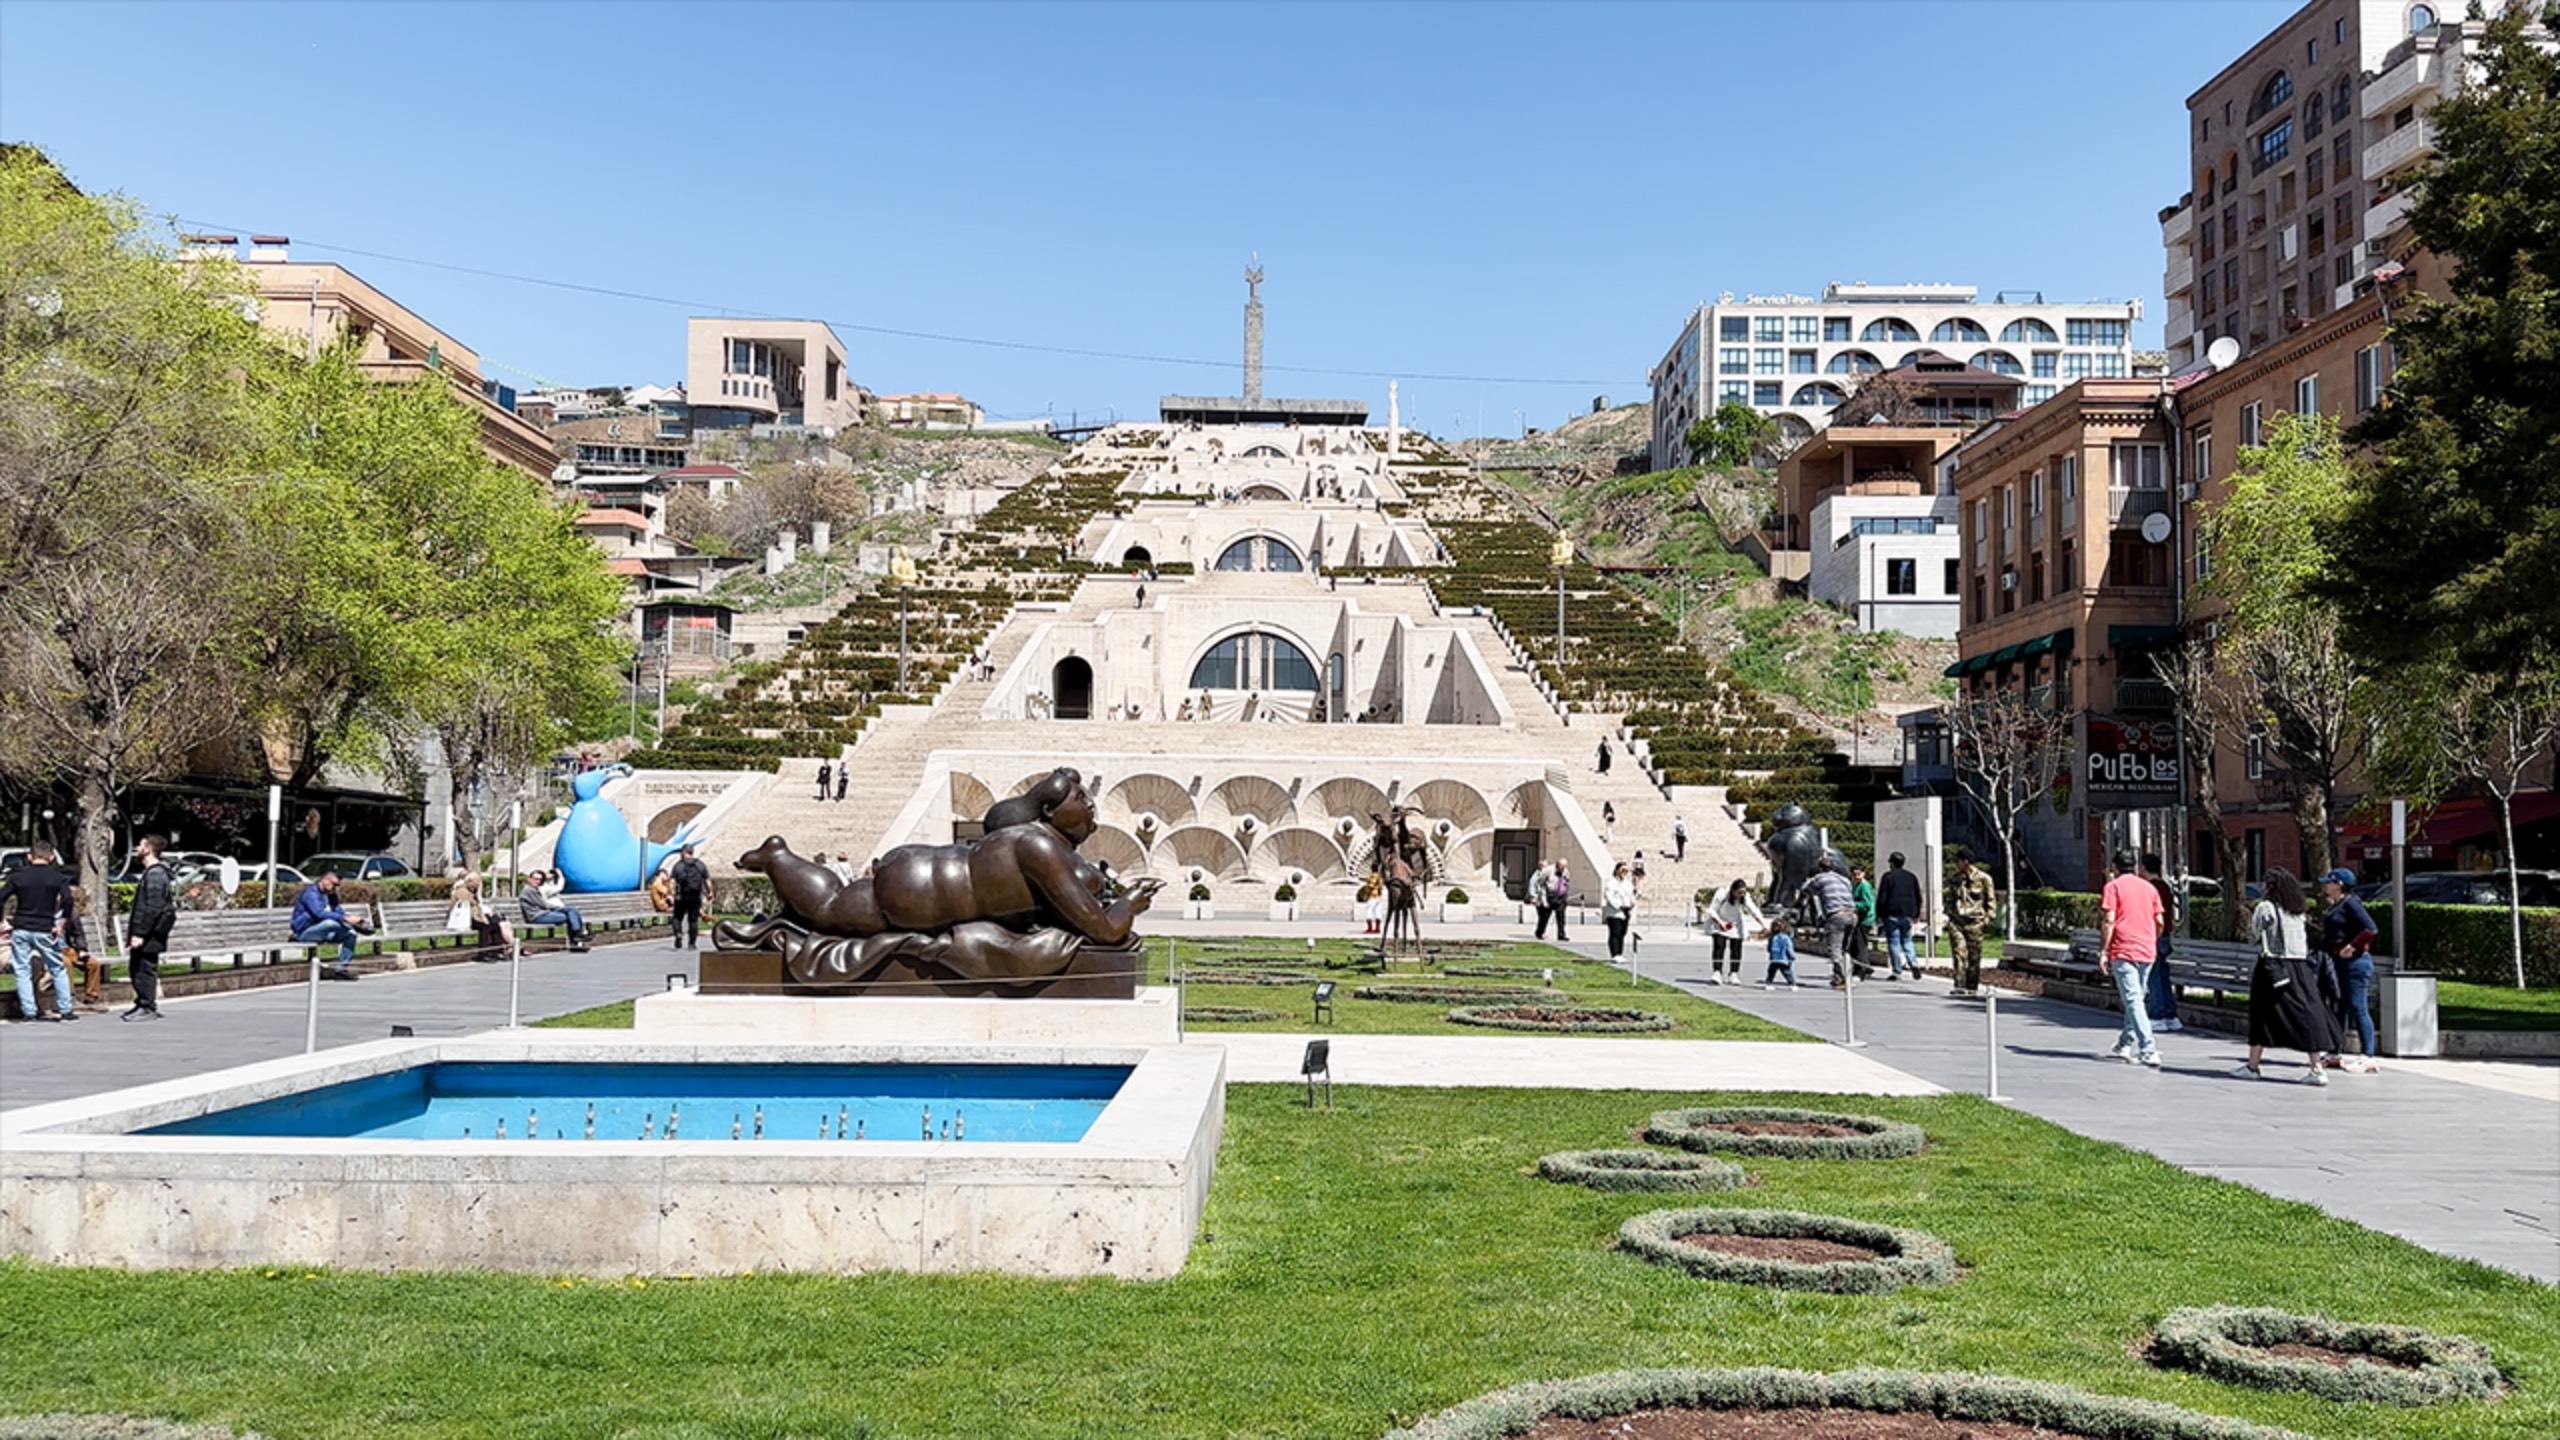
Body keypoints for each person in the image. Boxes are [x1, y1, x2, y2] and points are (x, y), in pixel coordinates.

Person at [2236, 867, 2340, 1083]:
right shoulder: (2298, 909)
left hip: (2273, 967)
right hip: (2300, 967)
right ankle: (2316, 1068)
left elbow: (2252, 936)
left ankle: (2253, 1066)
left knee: (2261, 1014)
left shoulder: (2266, 907)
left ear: (2270, 887)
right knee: (2307, 1013)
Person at [2099, 847, 2165, 1067]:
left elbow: (2109, 920)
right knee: (2136, 998)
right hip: (2147, 951)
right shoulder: (2149, 888)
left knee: (2133, 999)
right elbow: (2160, 922)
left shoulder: (2113, 887)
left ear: (2115, 867)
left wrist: (2103, 951)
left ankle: (2148, 1048)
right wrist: (2151, 939)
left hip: (2123, 949)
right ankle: (2125, 1043)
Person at [0, 841, 79, 1021]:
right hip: (45, 927)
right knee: (57, 968)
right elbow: (68, 900)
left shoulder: (18, 877)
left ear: (29, 857)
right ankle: (65, 1009)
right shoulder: (57, 878)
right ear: (50, 858)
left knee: (22, 970)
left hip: (22, 927)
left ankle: (29, 1011)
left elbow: (1, 897)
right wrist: (62, 923)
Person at [2317, 867, 2380, 1072]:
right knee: (2340, 1006)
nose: (2326, 886)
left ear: (2340, 885)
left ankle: (2368, 1055)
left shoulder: (2351, 903)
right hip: (2338, 962)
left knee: (2357, 1007)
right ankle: (2335, 1051)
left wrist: (2353, 946)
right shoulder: (2338, 904)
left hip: (2355, 963)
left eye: (2329, 882)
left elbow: (2370, 928)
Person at [122, 835, 176, 1021]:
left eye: (141, 845)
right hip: (148, 933)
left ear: (148, 849)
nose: (137, 848)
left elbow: (153, 907)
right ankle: (142, 1003)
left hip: (150, 934)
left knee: (144, 969)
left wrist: (140, 933)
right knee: (137, 968)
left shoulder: (155, 875)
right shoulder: (153, 873)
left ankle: (147, 1006)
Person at [291, 870, 366, 982]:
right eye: (334, 884)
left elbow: (338, 911)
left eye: (337, 886)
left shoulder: (330, 894)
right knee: (330, 923)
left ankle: (341, 969)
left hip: (323, 931)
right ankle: (352, 927)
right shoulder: (311, 894)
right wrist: (345, 919)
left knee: (351, 934)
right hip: (304, 932)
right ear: (325, 880)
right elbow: (319, 914)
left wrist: (351, 920)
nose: (335, 888)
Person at [1796, 856, 1858, 987]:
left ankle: (1842, 977)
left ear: (1820, 868)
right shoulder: (1844, 879)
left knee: (1834, 948)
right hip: (1852, 915)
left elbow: (1805, 890)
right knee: (1845, 948)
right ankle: (1844, 974)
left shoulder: (1820, 878)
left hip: (1836, 915)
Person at [1946, 847, 1997, 996]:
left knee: (1974, 957)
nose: (1956, 864)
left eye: (1958, 861)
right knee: (1959, 953)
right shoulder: (1956, 879)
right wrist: (1949, 916)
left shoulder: (1984, 879)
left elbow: (1991, 900)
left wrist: (1987, 919)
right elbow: (1950, 899)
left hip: (1975, 922)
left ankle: (1972, 986)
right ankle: (1959, 985)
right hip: (1957, 922)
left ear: (1966, 862)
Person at [2142, 852, 2183, 1033]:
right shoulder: (2165, 886)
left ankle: (2157, 1014)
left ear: (2144, 868)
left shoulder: (2151, 888)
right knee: (2163, 975)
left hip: (2154, 936)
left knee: (2154, 976)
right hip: (2165, 935)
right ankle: (2170, 1014)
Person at [450, 870, 519, 964]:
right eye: (476, 882)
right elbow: (470, 904)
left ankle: (497, 951)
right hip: (466, 919)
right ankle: (482, 953)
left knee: (495, 925)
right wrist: (482, 915)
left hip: (475, 917)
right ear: (469, 881)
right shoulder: (461, 890)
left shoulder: (472, 890)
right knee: (485, 927)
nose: (478, 884)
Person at [1706, 878, 1764, 985]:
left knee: (1736, 949)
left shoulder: (1745, 897)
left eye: (1743, 892)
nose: (1741, 895)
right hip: (1719, 922)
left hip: (1735, 924)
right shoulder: (1722, 893)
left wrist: (1763, 924)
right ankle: (1717, 972)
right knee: (1719, 947)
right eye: (1739, 892)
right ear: (1733, 890)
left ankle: (1734, 973)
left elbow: (1753, 910)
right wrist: (1720, 923)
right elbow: (1711, 910)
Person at [519, 869, 592, 952]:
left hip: (543, 914)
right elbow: (544, 905)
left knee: (572, 912)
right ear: (529, 879)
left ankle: (578, 937)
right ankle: (578, 936)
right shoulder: (529, 891)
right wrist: (558, 908)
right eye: (535, 879)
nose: (537, 881)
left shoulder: (534, 889)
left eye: (540, 880)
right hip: (536, 916)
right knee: (570, 914)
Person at [1876, 851, 1923, 981]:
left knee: (1894, 941)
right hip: (1907, 913)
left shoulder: (1888, 877)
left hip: (1891, 913)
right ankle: (1913, 962)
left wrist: (1879, 914)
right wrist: (1916, 913)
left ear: (1892, 863)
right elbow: (1918, 896)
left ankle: (1897, 971)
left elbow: (1882, 897)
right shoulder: (1911, 877)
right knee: (1907, 940)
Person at [669, 843, 710, 950]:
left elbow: (672, 882)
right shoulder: (700, 865)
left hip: (681, 896)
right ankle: (692, 943)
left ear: (683, 852)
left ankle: (678, 933)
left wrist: (672, 893)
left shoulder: (678, 865)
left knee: (677, 917)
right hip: (695, 896)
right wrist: (710, 892)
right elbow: (707, 881)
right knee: (693, 920)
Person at [1601, 861, 1638, 962]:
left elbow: (1631, 895)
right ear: (1617, 870)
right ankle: (1614, 954)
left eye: (1626, 871)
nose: (1624, 873)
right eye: (1623, 870)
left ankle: (1620, 953)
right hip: (1614, 912)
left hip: (1626, 911)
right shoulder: (1611, 883)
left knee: (1622, 933)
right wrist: (1618, 905)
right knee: (1615, 932)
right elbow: (1608, 896)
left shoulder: (1627, 883)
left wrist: (1632, 903)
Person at [1849, 864, 1878, 978]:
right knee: (1856, 943)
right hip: (1859, 918)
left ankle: (1862, 967)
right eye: (1854, 874)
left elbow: (1867, 904)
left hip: (1864, 919)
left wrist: (1853, 905)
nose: (1856, 876)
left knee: (1860, 944)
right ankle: (1863, 965)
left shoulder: (1864, 886)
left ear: (1863, 874)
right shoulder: (1857, 885)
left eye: (1859, 873)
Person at [1762, 917, 1798, 987]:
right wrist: (1792, 956)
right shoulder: (1786, 938)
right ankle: (1792, 984)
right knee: (1787, 972)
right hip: (1783, 958)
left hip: (1774, 958)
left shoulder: (1772, 937)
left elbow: (1769, 948)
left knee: (1771, 972)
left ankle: (1768, 983)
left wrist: (1771, 953)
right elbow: (1789, 948)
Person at [1528, 860, 1557, 940]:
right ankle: (1540, 932)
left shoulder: (1549, 874)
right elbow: (1532, 886)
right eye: (1543, 866)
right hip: (1540, 899)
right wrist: (1534, 897)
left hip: (1547, 898)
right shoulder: (1536, 875)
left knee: (1545, 916)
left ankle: (1541, 931)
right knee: (1543, 916)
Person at [1546, 859, 1572, 941]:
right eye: (1562, 866)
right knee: (1545, 916)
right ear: (1557, 865)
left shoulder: (1566, 872)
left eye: (1564, 867)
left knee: (1561, 918)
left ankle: (1561, 934)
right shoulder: (1549, 870)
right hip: (1551, 895)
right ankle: (1540, 932)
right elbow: (1541, 881)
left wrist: (1565, 895)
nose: (1563, 868)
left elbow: (1566, 883)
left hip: (1561, 897)